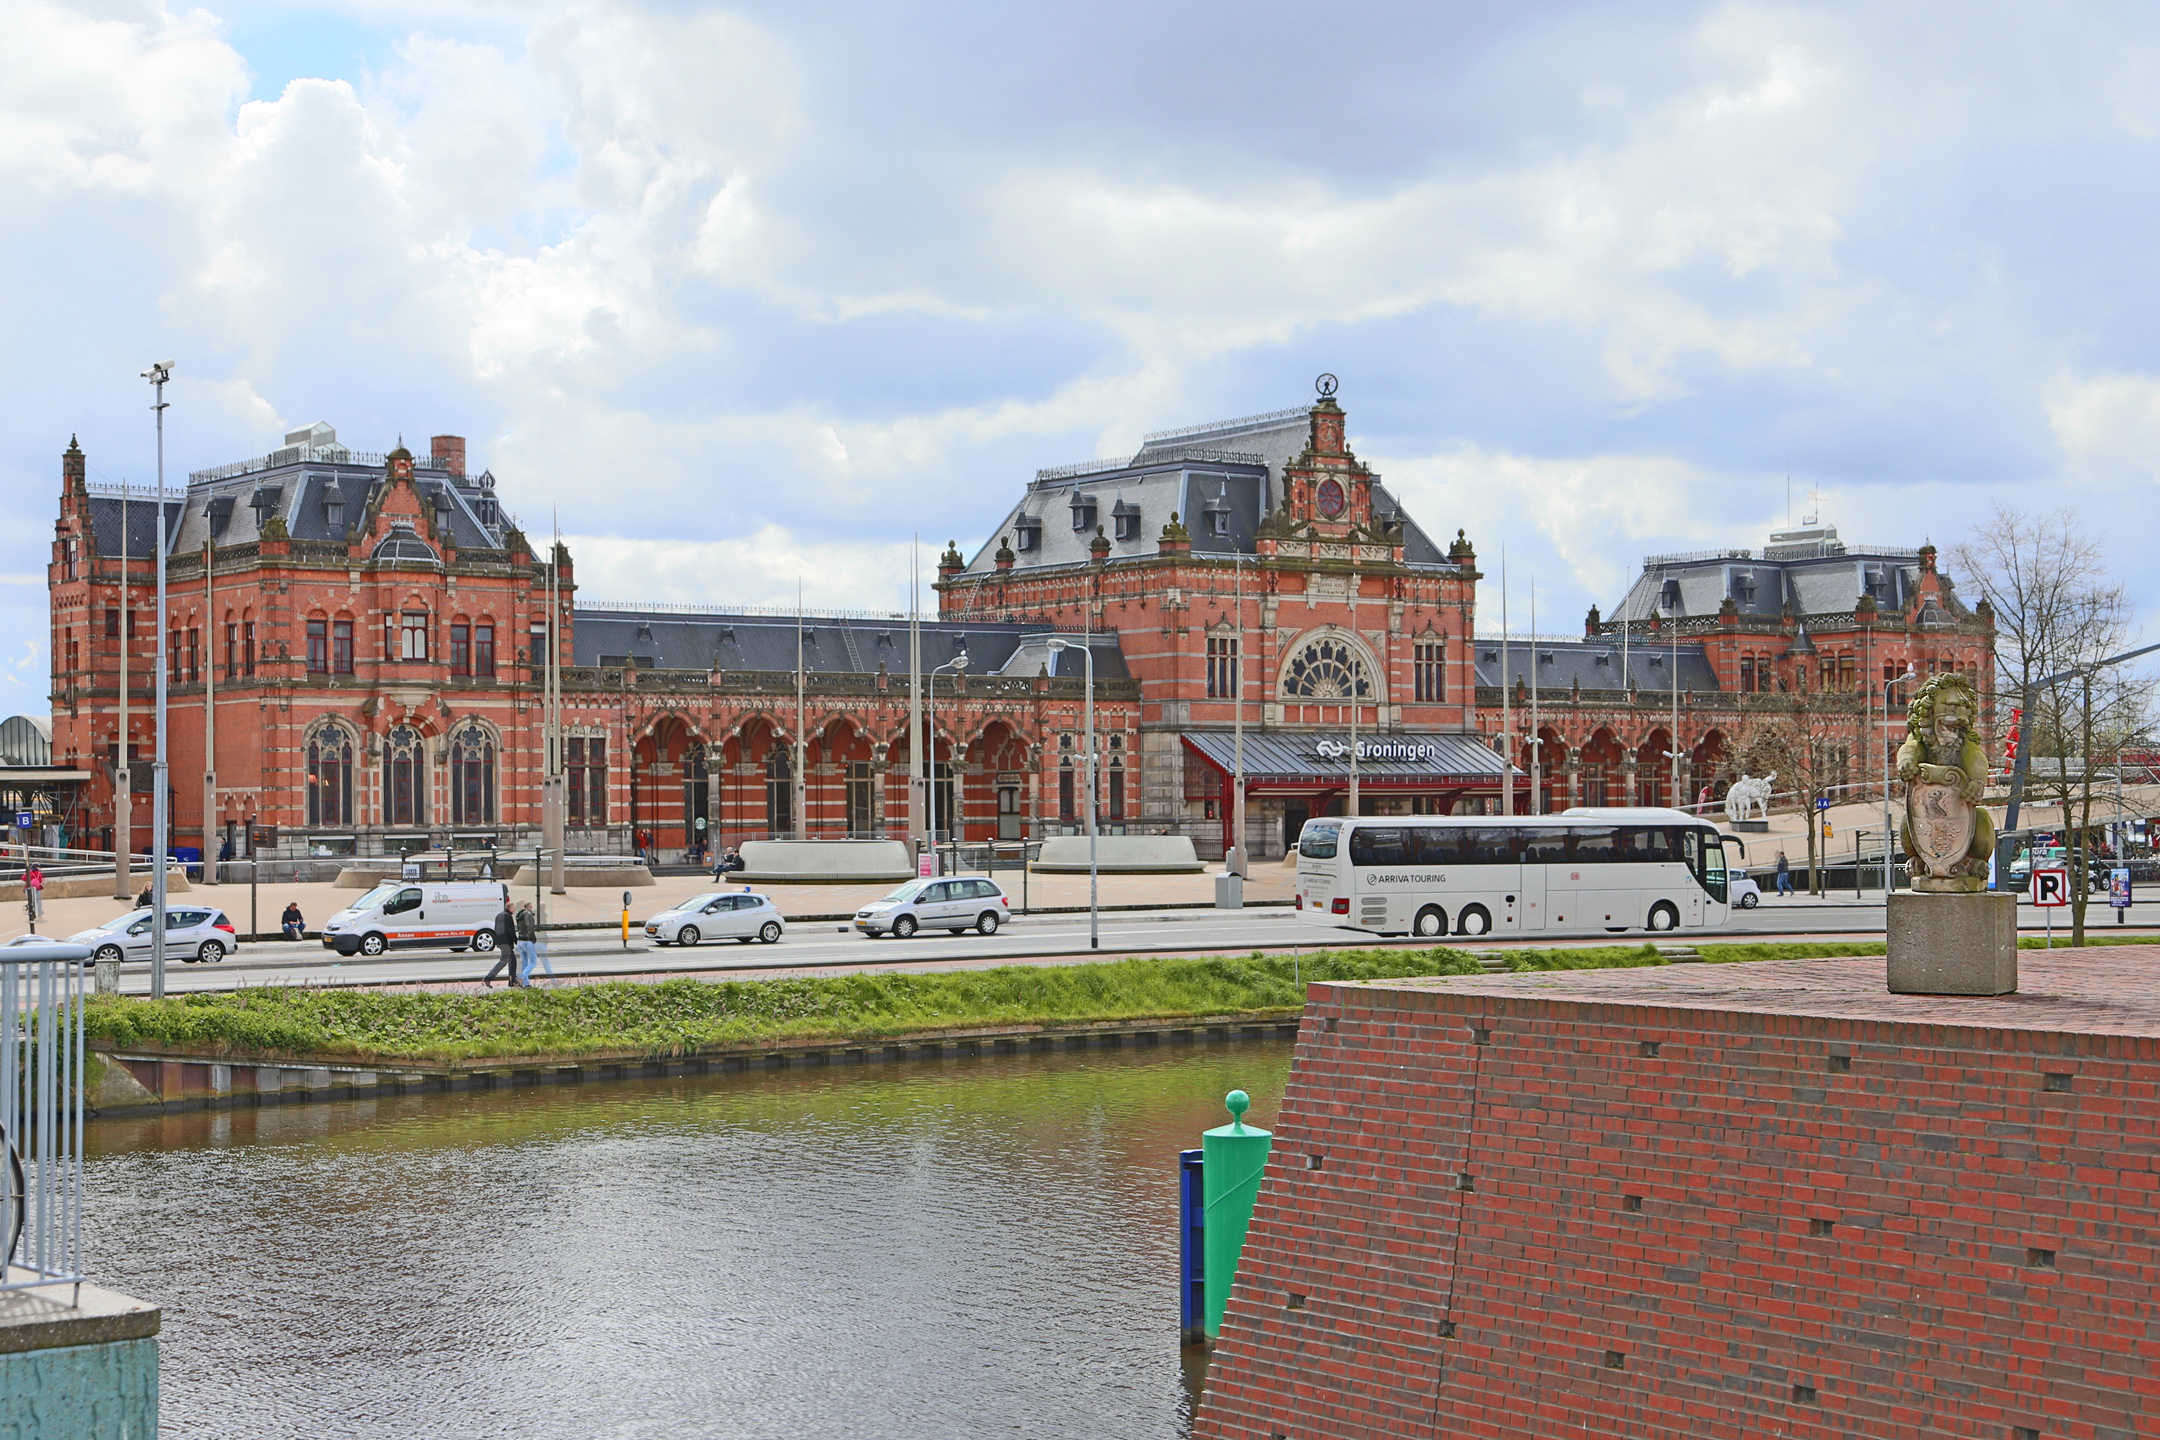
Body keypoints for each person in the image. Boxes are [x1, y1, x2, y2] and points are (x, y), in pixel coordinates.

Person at [482, 893, 522, 987]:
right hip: (506, 942)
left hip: (500, 942)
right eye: (513, 908)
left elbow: (497, 929)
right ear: (510, 908)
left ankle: (511, 980)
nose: (514, 909)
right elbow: (510, 931)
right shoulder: (508, 916)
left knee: (508, 960)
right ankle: (490, 978)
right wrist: (516, 941)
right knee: (507, 960)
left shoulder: (499, 915)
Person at [514, 902, 545, 985]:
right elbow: (530, 927)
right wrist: (533, 939)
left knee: (525, 962)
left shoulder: (519, 915)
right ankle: (521, 977)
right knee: (533, 962)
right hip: (527, 941)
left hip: (520, 940)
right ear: (530, 907)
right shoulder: (528, 914)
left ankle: (526, 983)